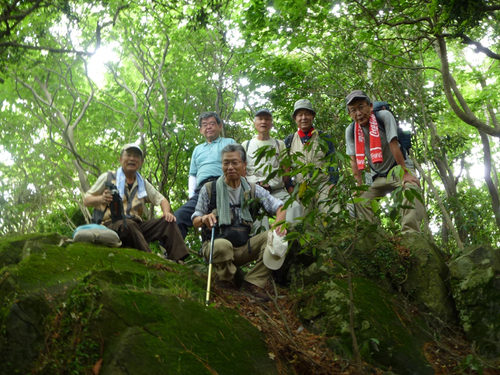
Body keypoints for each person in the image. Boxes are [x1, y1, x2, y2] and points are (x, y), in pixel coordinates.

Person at [192, 144, 287, 302]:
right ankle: (226, 278)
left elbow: (280, 206)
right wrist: (204, 218)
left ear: (244, 165)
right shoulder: (210, 188)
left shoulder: (253, 190)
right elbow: (195, 219)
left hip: (243, 246)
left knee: (277, 237)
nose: (230, 167)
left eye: (234, 162)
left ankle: (252, 283)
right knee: (223, 246)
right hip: (216, 245)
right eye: (225, 163)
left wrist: (279, 224)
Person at [83, 143, 189, 261]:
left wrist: (167, 213)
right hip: (112, 225)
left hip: (136, 227)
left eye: (136, 156)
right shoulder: (108, 177)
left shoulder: (142, 183)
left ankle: (178, 261)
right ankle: (151, 259)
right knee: (127, 224)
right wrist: (101, 199)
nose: (132, 159)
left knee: (167, 222)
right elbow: (86, 200)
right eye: (128, 155)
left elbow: (162, 200)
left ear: (141, 161)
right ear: (121, 159)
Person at [345, 90, 424, 234]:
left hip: (398, 168)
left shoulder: (384, 116)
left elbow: (393, 144)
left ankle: (411, 235)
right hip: (377, 176)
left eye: (361, 107)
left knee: (412, 189)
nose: (358, 113)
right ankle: (375, 238)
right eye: (353, 110)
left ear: (370, 106)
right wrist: (359, 186)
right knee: (357, 203)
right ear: (350, 114)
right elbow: (354, 160)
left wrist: (405, 173)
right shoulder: (351, 131)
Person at [174, 112, 236, 239]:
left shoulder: (229, 142)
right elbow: (193, 174)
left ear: (220, 126)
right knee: (178, 217)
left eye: (212, 123)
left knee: (224, 223)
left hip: (224, 187)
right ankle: (173, 256)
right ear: (200, 130)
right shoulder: (197, 149)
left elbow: (239, 164)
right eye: (205, 125)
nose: (209, 127)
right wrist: (191, 196)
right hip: (201, 191)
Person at [242, 108, 302, 231]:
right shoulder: (246, 145)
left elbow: (286, 170)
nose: (263, 122)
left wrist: (284, 186)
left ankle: (292, 244)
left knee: (295, 207)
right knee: (259, 222)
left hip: (277, 191)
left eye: (267, 119)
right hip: (255, 193)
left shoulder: (279, 144)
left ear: (271, 123)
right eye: (260, 119)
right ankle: (262, 247)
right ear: (255, 123)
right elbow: (242, 172)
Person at [284, 99, 339, 214]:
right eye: (300, 115)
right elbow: (285, 167)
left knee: (332, 216)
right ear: (295, 118)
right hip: (301, 188)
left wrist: (333, 183)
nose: (304, 117)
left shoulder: (323, 137)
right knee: (304, 225)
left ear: (313, 116)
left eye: (307, 114)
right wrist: (289, 187)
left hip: (324, 185)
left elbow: (332, 160)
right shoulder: (289, 141)